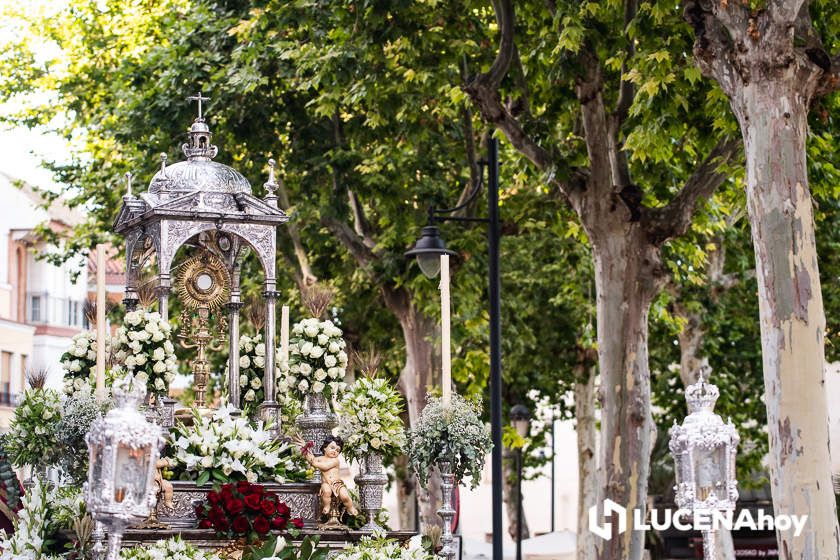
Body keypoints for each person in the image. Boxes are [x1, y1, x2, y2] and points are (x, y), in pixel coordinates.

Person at [297, 435, 358, 517]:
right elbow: (311, 458)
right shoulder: (320, 458)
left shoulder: (335, 461)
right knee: (326, 491)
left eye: (337, 450)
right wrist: (305, 447)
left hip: (336, 483)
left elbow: (324, 466)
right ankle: (326, 506)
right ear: (325, 448)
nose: (335, 451)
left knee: (345, 496)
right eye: (332, 448)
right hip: (326, 483)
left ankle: (350, 507)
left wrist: (314, 463)